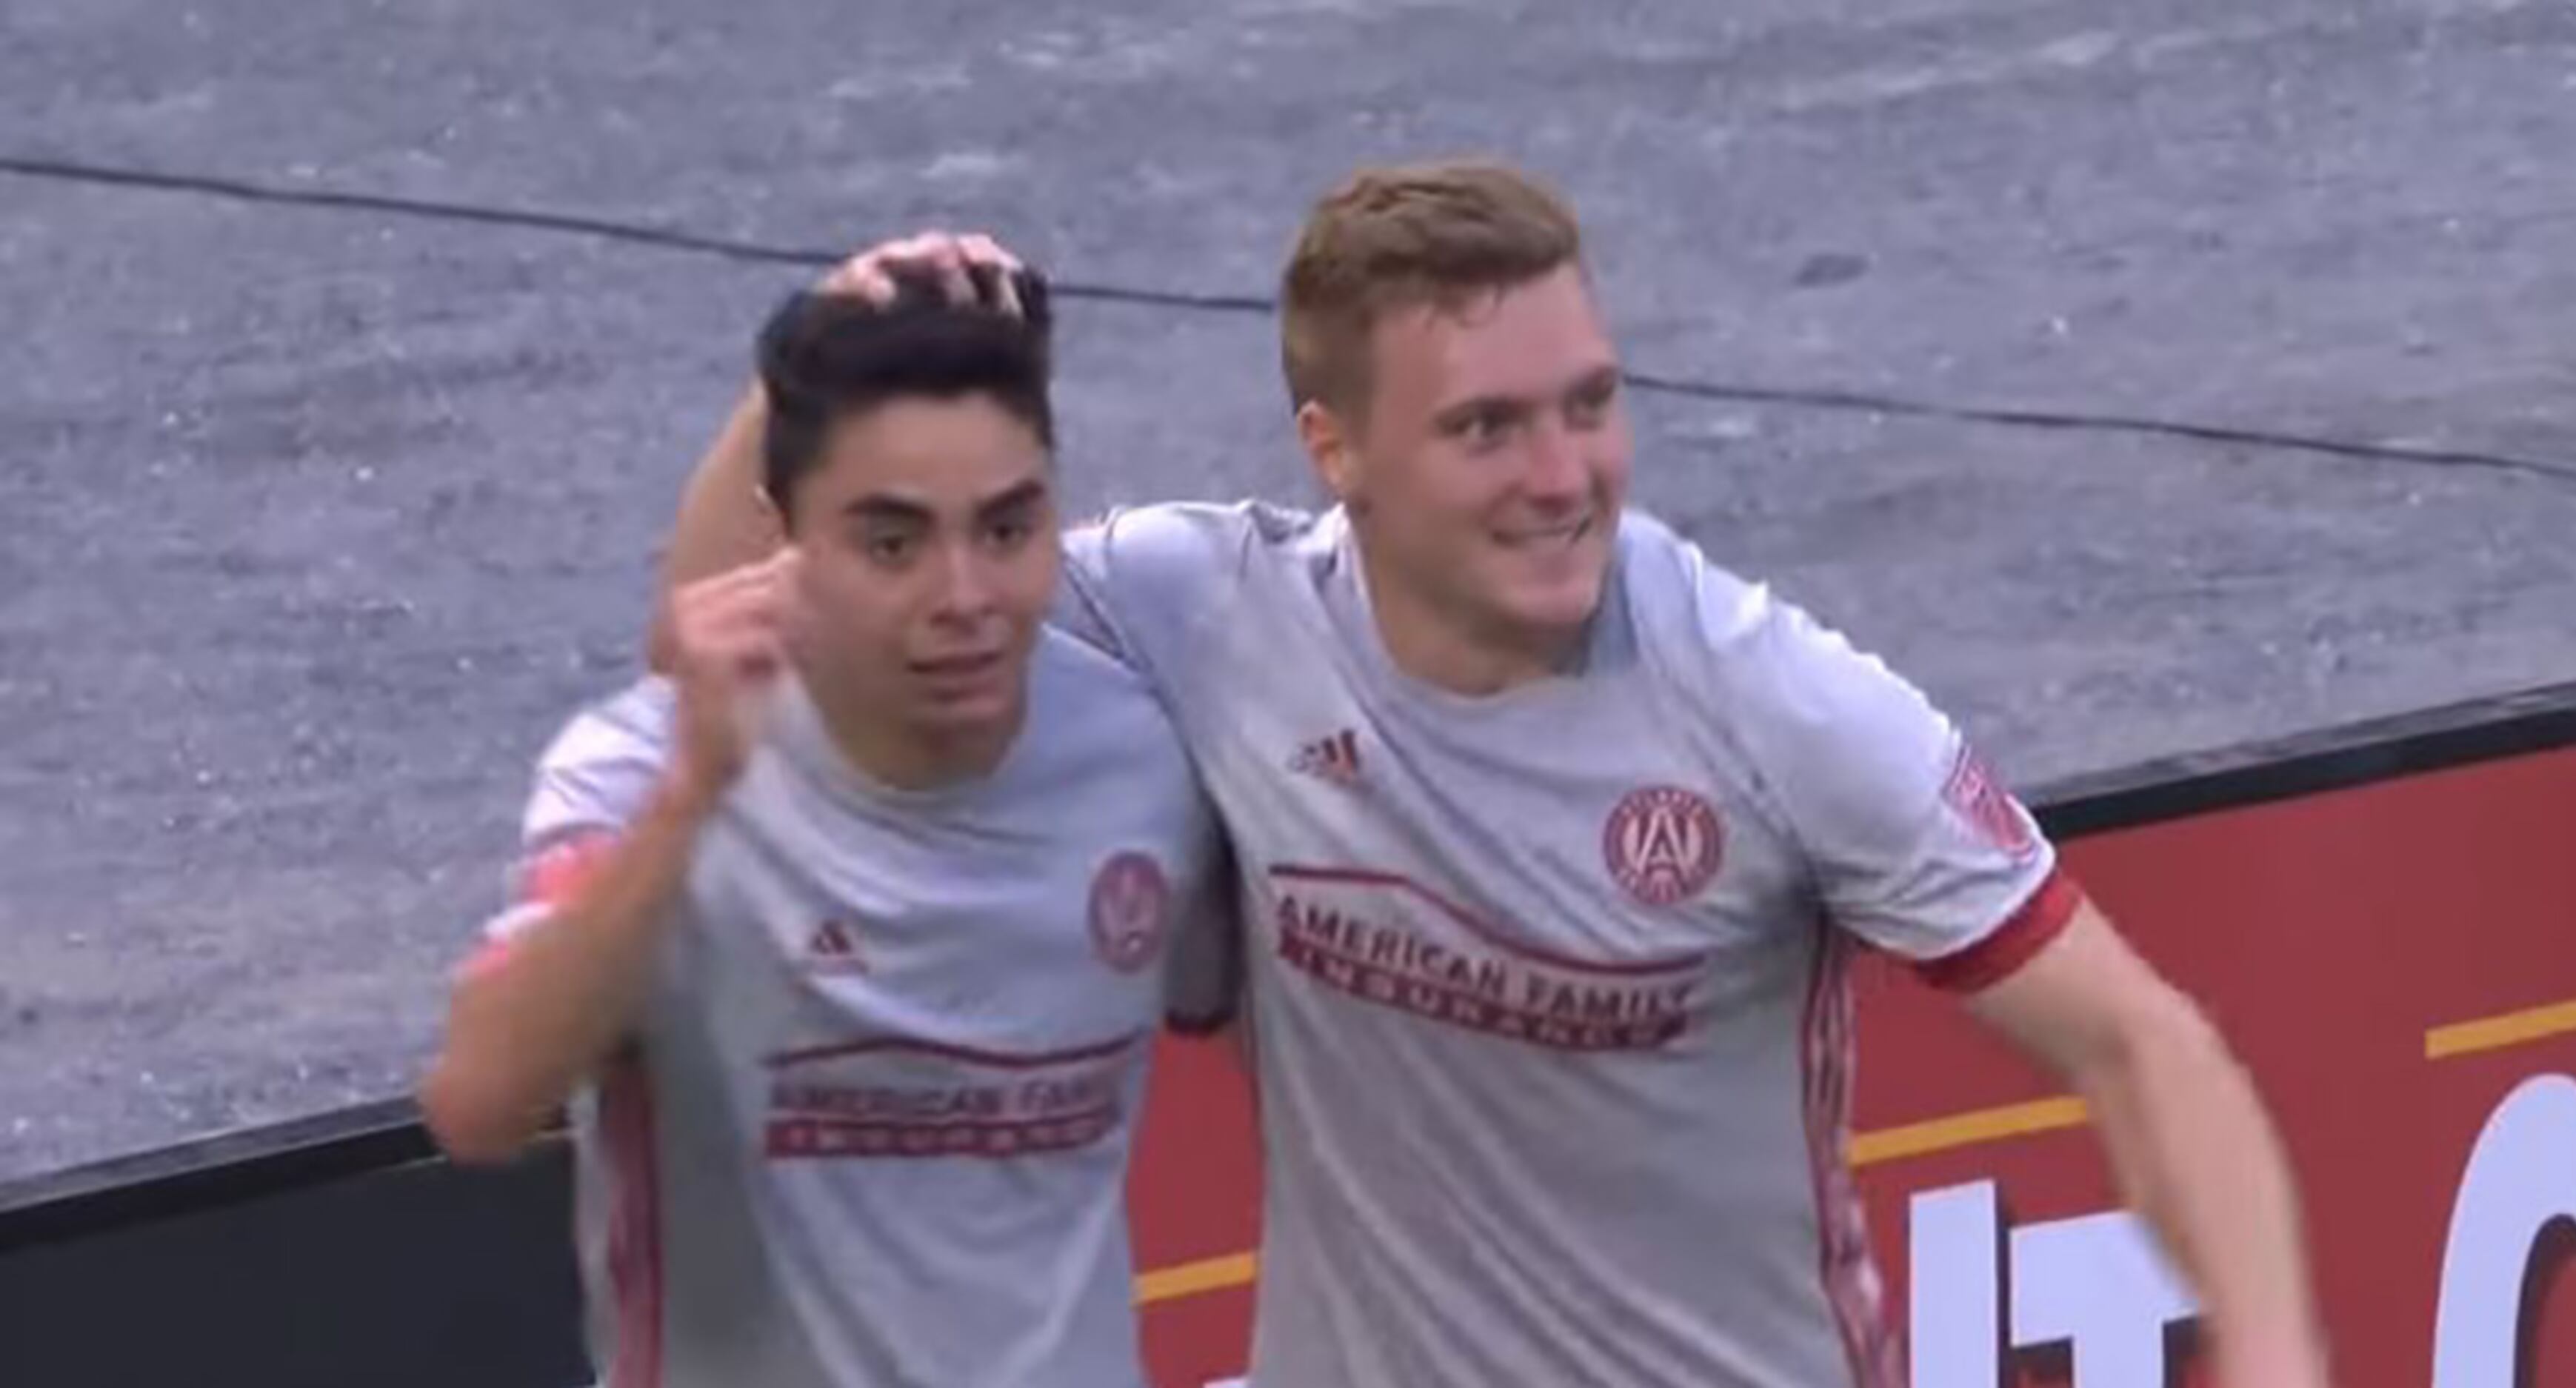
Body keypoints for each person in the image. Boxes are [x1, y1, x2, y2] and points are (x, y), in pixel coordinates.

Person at [658, 164, 2331, 1387]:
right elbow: (725, 636)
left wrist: (2266, 1352)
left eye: (1588, 407)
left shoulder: (1767, 701)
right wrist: (821, 366)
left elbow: (2141, 1039)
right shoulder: (1199, 612)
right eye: (1488, 429)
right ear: (1336, 451)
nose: (1563, 477)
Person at [421, 266, 1227, 1388]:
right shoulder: (646, 768)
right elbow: (482, 1099)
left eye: (1006, 527)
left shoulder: (1145, 756)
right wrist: (696, 798)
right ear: (782, 534)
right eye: (892, 544)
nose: (963, 596)